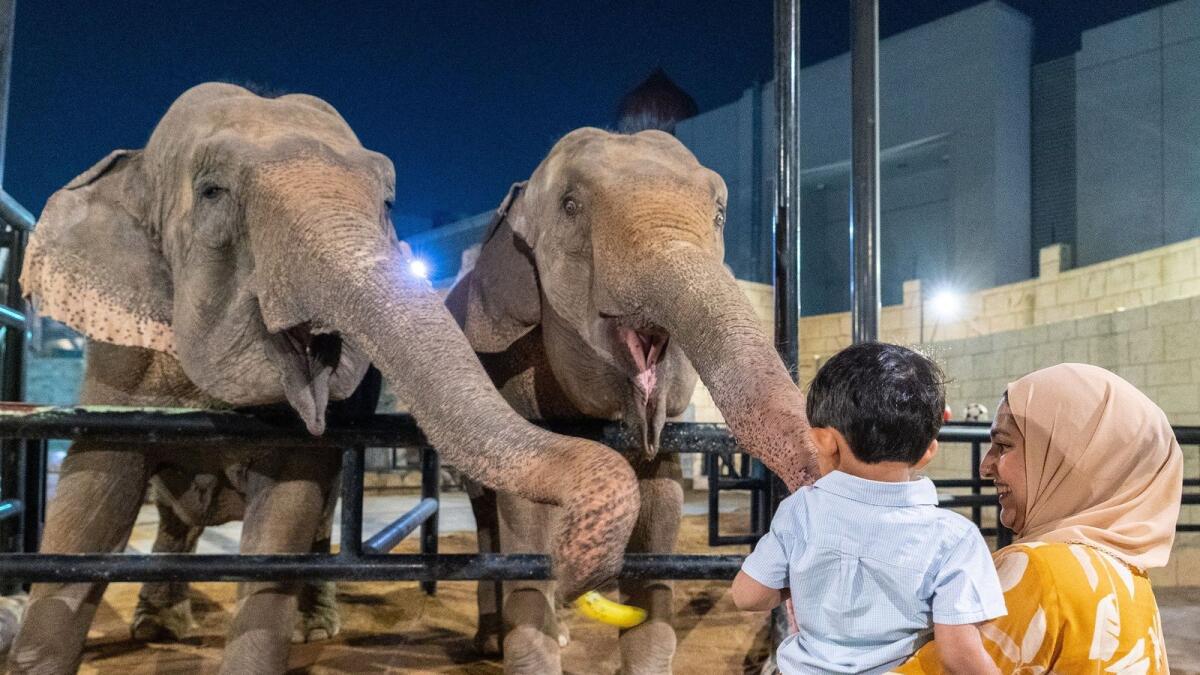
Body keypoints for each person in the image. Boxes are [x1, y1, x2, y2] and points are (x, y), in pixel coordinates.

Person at [732, 342, 1005, 674]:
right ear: (928, 452)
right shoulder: (955, 538)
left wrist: (801, 578)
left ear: (824, 440)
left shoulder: (799, 510)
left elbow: (748, 596)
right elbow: (959, 654)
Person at [895, 363, 1183, 673]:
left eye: (1004, 445)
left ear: (1072, 457)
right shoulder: (1129, 578)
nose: (986, 466)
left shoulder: (1038, 571)